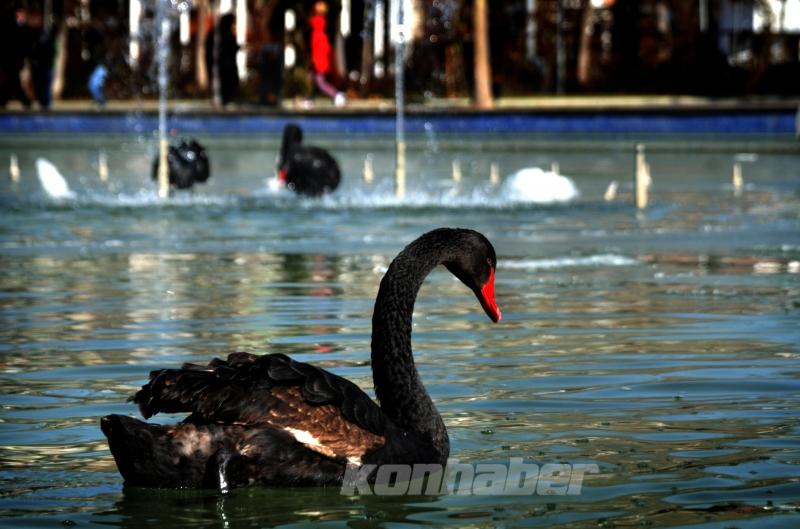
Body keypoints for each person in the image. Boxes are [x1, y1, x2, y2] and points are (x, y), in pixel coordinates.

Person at [309, 2, 345, 107]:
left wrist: (316, 61)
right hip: (320, 61)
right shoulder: (321, 31)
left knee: (319, 81)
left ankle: (336, 95)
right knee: (313, 79)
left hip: (319, 62)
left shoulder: (318, 32)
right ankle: (311, 99)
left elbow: (319, 49)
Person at [205, 13, 239, 106]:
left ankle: (226, 100)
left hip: (225, 65)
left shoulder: (218, 33)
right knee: (223, 83)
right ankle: (222, 100)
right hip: (223, 66)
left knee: (227, 83)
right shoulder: (217, 33)